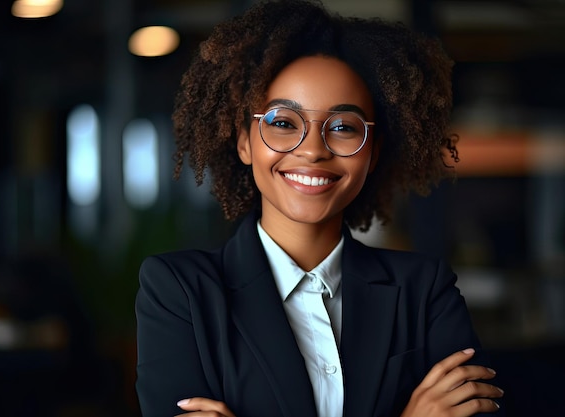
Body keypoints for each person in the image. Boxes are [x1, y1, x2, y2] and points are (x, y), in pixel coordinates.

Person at [135, 1, 505, 416]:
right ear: (244, 141)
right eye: (282, 122)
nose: (312, 150)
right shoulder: (180, 291)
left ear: (373, 151)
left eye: (344, 127)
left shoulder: (424, 291)